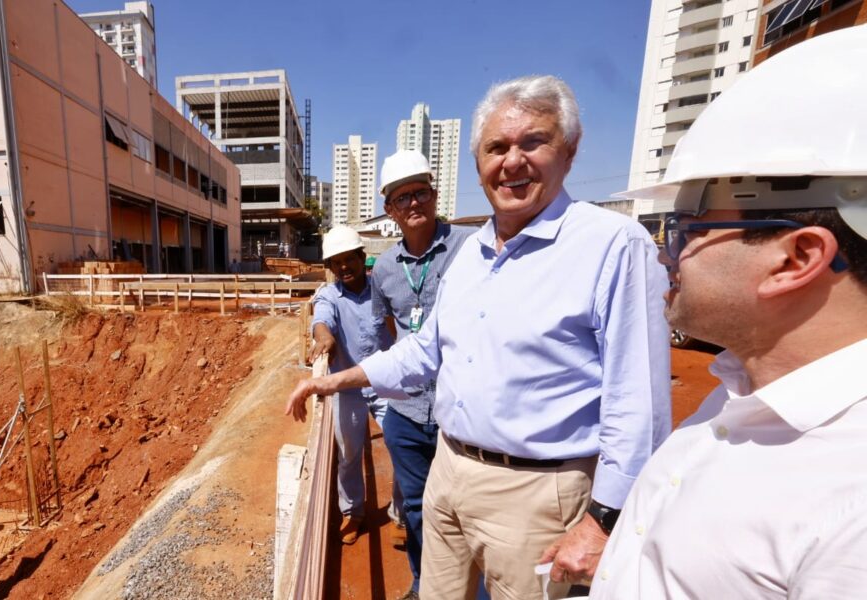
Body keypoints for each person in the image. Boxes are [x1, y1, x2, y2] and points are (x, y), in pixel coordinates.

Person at [287, 75, 671, 600]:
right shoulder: (474, 255)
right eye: (497, 147)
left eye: (532, 142)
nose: (512, 161)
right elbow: (425, 350)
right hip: (450, 467)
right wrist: (336, 381)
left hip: (537, 492)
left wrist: (604, 519)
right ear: (478, 163)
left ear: (570, 151)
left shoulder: (612, 246)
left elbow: (639, 403)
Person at [591, 26, 867, 599]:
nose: (665, 253)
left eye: (684, 230)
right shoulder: (744, 388)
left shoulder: (851, 511)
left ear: (797, 257)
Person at [373, 149, 473, 598]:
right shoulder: (385, 269)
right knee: (414, 507)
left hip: (465, 411)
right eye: (402, 197)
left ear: (435, 195)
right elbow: (386, 336)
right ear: (389, 209)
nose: (413, 203)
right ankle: (421, 581)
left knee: (470, 509)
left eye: (421, 193)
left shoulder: (472, 247)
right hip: (408, 414)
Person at [293, 225, 398, 544]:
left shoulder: (381, 289)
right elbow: (321, 320)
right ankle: (353, 512)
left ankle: (402, 513)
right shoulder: (329, 296)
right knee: (349, 452)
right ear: (330, 267)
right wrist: (324, 337)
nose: (343, 267)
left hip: (384, 383)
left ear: (361, 257)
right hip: (346, 385)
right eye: (336, 262)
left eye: (348, 259)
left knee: (400, 444)